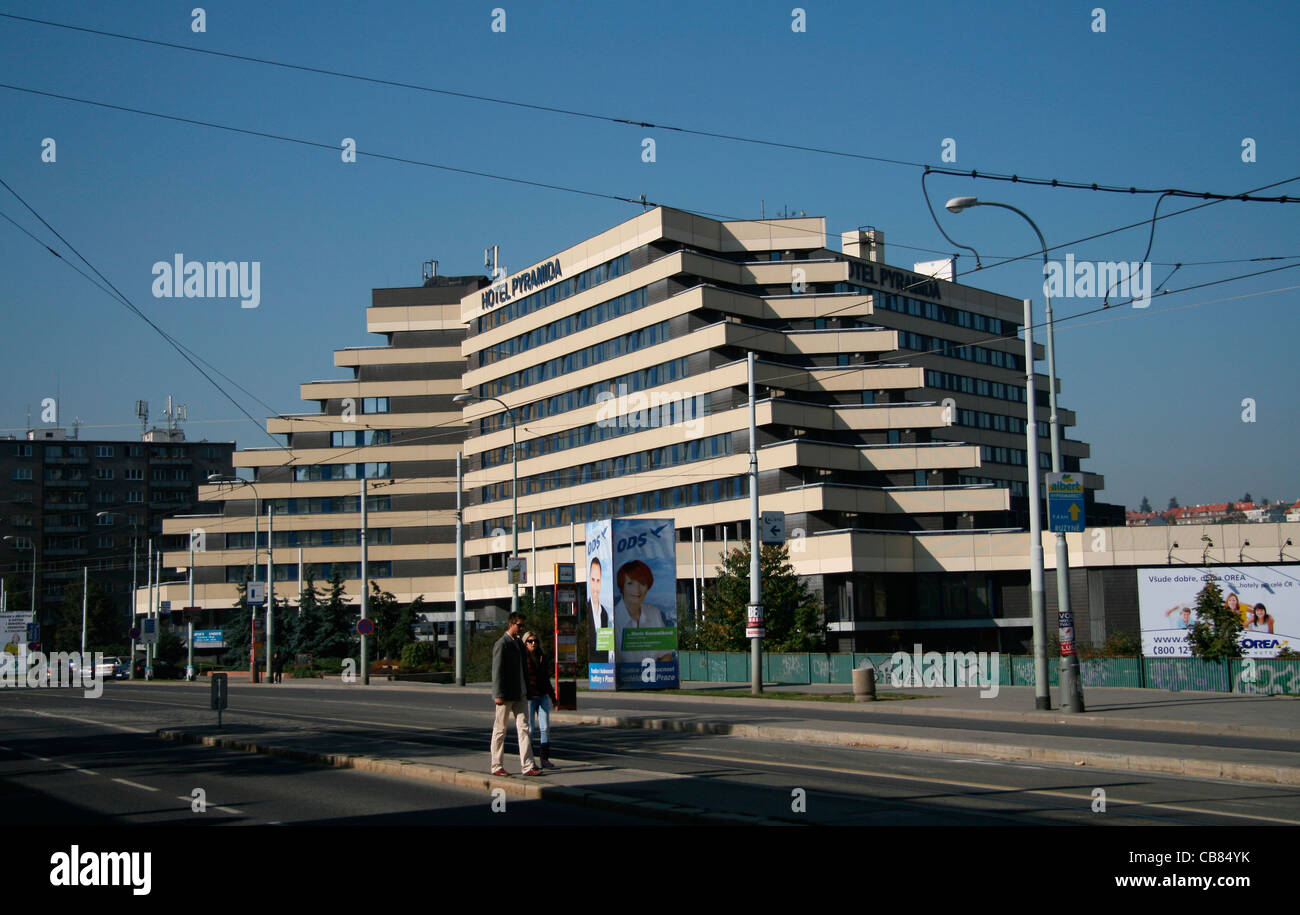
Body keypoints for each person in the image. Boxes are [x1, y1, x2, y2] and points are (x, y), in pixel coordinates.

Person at [490, 611, 542, 777]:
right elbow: (497, 671)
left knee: (524, 729)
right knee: (500, 730)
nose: (522, 628)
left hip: (520, 693)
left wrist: (528, 690)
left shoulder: (519, 643)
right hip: (506, 694)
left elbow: (524, 670)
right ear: (510, 624)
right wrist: (497, 694)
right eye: (519, 625)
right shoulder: (502, 643)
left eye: (523, 625)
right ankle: (496, 765)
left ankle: (528, 765)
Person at [522, 630, 559, 769]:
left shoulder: (542, 656)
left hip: (542, 696)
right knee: (530, 729)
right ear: (525, 643)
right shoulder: (523, 657)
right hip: (530, 697)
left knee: (545, 728)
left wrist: (553, 698)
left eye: (535, 641)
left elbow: (545, 679)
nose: (533, 644)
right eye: (530, 641)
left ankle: (544, 759)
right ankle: (530, 761)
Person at [614, 559, 667, 630]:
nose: (637, 590)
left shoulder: (654, 613)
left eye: (642, 583)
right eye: (630, 583)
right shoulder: (613, 617)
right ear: (622, 586)